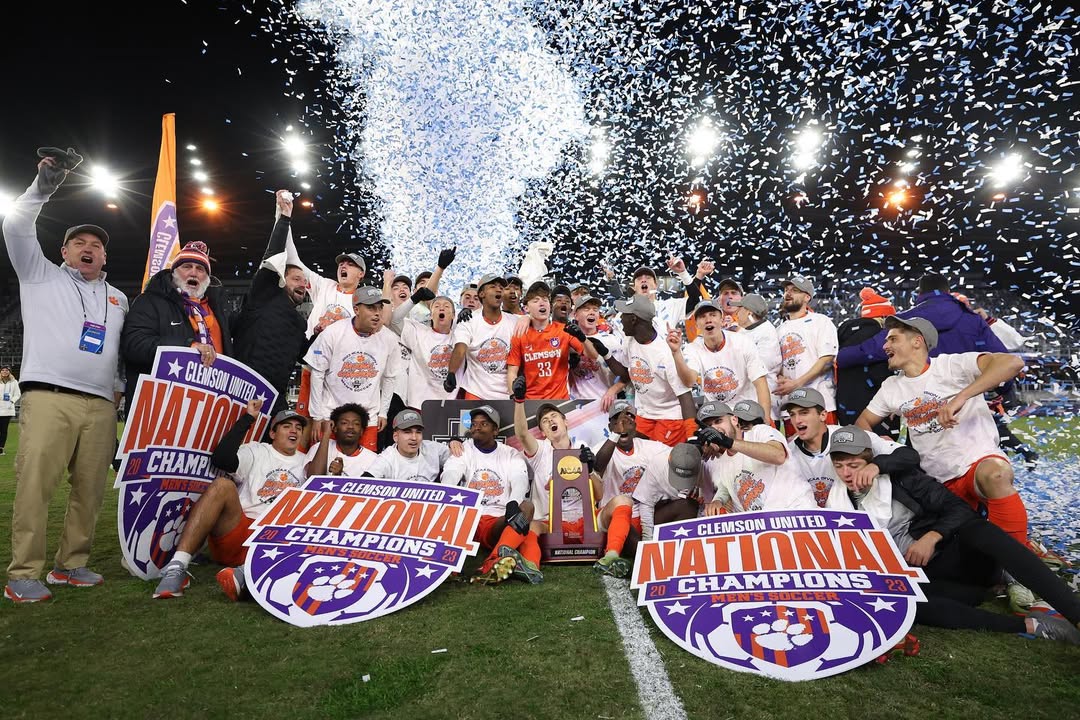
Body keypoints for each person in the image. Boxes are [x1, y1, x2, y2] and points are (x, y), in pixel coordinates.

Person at [3, 149, 129, 603]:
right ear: (64, 252)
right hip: (49, 396)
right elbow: (15, 226)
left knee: (90, 490)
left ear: (104, 254)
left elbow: (118, 352)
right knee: (36, 486)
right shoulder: (39, 275)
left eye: (96, 244)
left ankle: (70, 565)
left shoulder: (118, 298)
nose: (88, 248)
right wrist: (44, 186)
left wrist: (117, 391)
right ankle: (23, 573)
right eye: (79, 243)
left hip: (101, 404)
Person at [827, 426, 1080, 645]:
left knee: (977, 529)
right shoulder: (835, 500)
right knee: (905, 604)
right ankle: (1032, 626)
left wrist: (932, 536)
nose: (847, 473)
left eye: (854, 465)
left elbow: (959, 509)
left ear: (871, 461)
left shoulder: (901, 478)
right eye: (839, 466)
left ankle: (1074, 612)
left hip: (952, 555)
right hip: (920, 574)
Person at [854, 316, 1035, 610]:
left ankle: (1020, 576)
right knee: (966, 555)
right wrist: (881, 444)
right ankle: (1003, 567)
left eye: (893, 338)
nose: (885, 345)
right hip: (938, 481)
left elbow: (1012, 362)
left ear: (917, 341)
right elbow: (863, 423)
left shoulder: (951, 365)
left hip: (976, 463)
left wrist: (961, 397)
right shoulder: (891, 387)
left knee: (996, 475)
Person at [153, 400, 308, 601]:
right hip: (239, 530)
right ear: (272, 433)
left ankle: (246, 575)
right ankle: (178, 566)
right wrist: (248, 418)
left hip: (275, 538)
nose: (293, 430)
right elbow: (222, 459)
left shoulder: (307, 462)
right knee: (222, 485)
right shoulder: (257, 450)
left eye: (298, 427)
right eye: (286, 426)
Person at [121, 240, 232, 414]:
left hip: (209, 408)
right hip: (162, 407)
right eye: (187, 266)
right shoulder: (150, 301)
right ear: (173, 272)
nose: (193, 272)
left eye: (200, 269)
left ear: (207, 278)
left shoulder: (219, 311)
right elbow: (134, 345)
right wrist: (187, 347)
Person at [230, 190, 308, 421]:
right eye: (296, 279)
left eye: (305, 282)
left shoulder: (299, 323)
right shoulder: (264, 295)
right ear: (282, 280)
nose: (303, 284)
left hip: (274, 398)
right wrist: (284, 218)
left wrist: (324, 333)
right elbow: (272, 255)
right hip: (240, 390)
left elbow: (307, 356)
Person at [441, 405, 541, 584]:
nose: (477, 428)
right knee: (444, 508)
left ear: (495, 430)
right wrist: (447, 492)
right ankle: (447, 568)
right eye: (474, 424)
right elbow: (451, 472)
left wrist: (513, 503)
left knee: (527, 507)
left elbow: (520, 479)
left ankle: (492, 562)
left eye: (484, 424)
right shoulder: (463, 449)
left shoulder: (510, 454)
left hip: (496, 522)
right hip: (467, 519)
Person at [835, 273, 1008, 371]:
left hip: (922, 402)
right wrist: (1001, 389)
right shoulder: (973, 320)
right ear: (947, 291)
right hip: (966, 400)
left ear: (920, 294)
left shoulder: (905, 320)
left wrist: (838, 358)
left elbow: (871, 350)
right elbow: (1001, 358)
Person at [782, 387, 920, 507]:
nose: (797, 420)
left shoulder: (851, 437)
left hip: (862, 514)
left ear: (823, 415)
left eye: (804, 412)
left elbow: (909, 455)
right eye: (792, 414)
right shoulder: (788, 452)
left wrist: (876, 465)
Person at [303, 286, 401, 451]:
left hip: (368, 417)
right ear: (356, 309)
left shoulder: (389, 338)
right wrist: (317, 416)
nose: (377, 313)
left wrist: (383, 412)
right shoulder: (333, 332)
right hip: (330, 415)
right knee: (324, 462)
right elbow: (317, 374)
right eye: (371, 308)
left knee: (365, 464)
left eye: (380, 308)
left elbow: (390, 377)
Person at [600, 295, 698, 445]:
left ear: (633, 319)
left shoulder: (665, 353)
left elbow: (685, 397)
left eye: (624, 315)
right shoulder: (630, 341)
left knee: (661, 457)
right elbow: (625, 373)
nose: (620, 320)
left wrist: (692, 436)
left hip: (670, 417)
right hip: (644, 414)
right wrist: (605, 353)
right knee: (640, 456)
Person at [590, 400, 671, 574]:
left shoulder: (650, 447)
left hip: (646, 515)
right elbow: (597, 466)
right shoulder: (601, 448)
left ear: (635, 424)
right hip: (616, 518)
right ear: (610, 426)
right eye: (617, 420)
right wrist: (616, 434)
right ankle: (620, 555)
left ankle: (680, 549)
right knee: (623, 503)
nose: (622, 423)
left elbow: (678, 456)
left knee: (685, 505)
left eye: (628, 419)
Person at [696, 400, 817, 514]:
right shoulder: (723, 460)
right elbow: (726, 485)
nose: (715, 429)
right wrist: (718, 500)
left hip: (797, 511)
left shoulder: (759, 431)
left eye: (718, 421)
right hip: (762, 522)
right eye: (709, 426)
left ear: (734, 419)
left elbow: (779, 456)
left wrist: (729, 442)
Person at [669, 300, 771, 424]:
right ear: (696, 325)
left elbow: (761, 383)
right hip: (716, 416)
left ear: (721, 320)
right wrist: (676, 353)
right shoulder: (693, 349)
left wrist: (765, 420)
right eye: (702, 317)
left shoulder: (743, 342)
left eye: (713, 315)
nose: (708, 320)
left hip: (746, 412)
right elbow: (689, 381)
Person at [506, 281, 598, 400]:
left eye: (545, 300)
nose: (542, 303)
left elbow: (593, 356)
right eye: (536, 301)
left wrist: (582, 338)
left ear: (550, 306)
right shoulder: (520, 334)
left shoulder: (564, 330)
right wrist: (513, 396)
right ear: (526, 308)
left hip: (560, 400)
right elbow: (512, 372)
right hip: (530, 400)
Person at [774, 275, 838, 427]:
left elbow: (827, 360)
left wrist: (797, 383)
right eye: (786, 290)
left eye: (795, 290)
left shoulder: (820, 321)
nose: (788, 293)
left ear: (807, 297)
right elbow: (776, 364)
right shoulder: (779, 329)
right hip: (791, 405)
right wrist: (781, 378)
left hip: (820, 402)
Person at [835, 287, 900, 437]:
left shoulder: (842, 335)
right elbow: (880, 374)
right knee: (882, 447)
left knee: (852, 445)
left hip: (845, 405)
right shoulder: (884, 338)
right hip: (875, 408)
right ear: (884, 317)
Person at [445, 274, 518, 400]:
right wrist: (451, 372)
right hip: (476, 392)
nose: (498, 289)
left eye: (501, 287)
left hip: (508, 393)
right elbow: (460, 348)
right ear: (482, 294)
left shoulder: (515, 322)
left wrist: (527, 319)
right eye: (493, 286)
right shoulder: (468, 321)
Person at [633, 442, 705, 541]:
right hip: (655, 513)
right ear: (669, 461)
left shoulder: (704, 465)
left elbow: (707, 503)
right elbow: (646, 504)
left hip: (685, 510)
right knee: (686, 505)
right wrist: (648, 540)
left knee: (689, 506)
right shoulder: (658, 463)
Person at [568, 294, 626, 410]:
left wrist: (612, 391)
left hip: (607, 403)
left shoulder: (611, 340)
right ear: (576, 315)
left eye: (595, 309)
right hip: (579, 406)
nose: (592, 312)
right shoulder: (568, 340)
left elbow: (626, 375)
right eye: (586, 309)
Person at [732, 293, 783, 423]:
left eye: (740, 309)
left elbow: (761, 367)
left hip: (764, 404)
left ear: (749, 312)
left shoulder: (767, 332)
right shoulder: (743, 331)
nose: (737, 313)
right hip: (746, 402)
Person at [366, 408, 450, 482]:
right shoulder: (387, 459)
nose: (414, 438)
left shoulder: (432, 449)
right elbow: (365, 482)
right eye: (407, 432)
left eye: (418, 432)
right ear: (395, 437)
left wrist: (454, 441)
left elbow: (456, 457)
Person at [304, 403, 379, 477]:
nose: (350, 426)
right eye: (344, 423)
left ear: (361, 431)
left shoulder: (373, 459)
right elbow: (313, 479)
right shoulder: (319, 447)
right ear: (335, 428)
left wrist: (339, 477)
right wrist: (326, 434)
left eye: (356, 424)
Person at [0, 366, 19, 456]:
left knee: (4, 430)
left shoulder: (14, 382)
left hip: (7, 409)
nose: (5, 371)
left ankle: (1, 448)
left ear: (9, 372)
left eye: (6, 370)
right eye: (3, 370)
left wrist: (11, 401)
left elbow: (17, 394)